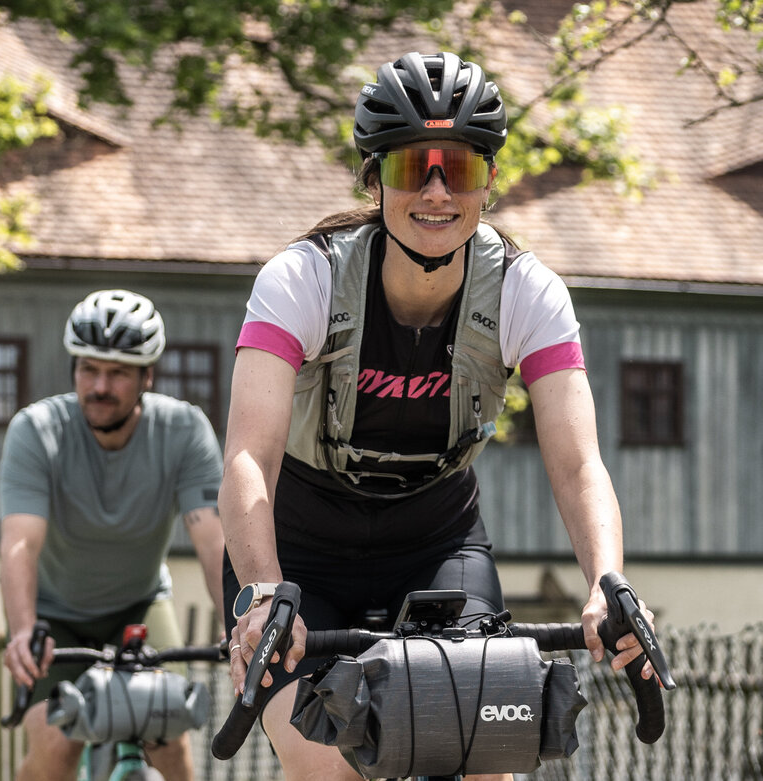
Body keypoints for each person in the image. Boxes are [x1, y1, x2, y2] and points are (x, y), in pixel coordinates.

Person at [217, 52, 653, 781]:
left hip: (434, 542)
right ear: (374, 177)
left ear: (488, 180)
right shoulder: (305, 277)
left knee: (489, 756)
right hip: (299, 553)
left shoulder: (527, 293)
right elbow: (246, 459)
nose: (437, 191)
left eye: (461, 167)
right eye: (412, 166)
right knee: (327, 764)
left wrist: (606, 581)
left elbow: (579, 463)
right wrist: (262, 592)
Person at [0, 289, 225, 781]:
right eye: (88, 369)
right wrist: (21, 629)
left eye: (118, 372)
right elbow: (21, 541)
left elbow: (212, 538)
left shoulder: (184, 431)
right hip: (54, 619)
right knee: (57, 746)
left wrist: (238, 621)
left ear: (148, 376)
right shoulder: (37, 432)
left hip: (139, 606)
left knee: (168, 737)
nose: (100, 386)